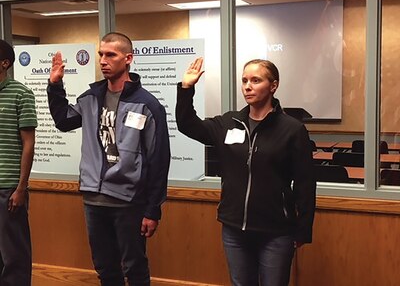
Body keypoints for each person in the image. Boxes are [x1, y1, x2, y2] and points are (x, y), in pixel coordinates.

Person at [175, 57, 316, 286]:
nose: (248, 86)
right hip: (234, 229)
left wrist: (303, 230)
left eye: (256, 80)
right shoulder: (228, 123)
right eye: (244, 80)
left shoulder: (292, 129)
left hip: (276, 231)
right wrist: (186, 88)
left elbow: (305, 183)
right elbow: (187, 124)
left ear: (273, 86)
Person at [47, 32, 170, 286]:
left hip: (128, 201)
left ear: (128, 59)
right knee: (105, 268)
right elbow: (63, 121)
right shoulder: (90, 97)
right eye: (101, 54)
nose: (103, 60)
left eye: (110, 55)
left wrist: (153, 209)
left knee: (134, 267)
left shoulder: (147, 104)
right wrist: (55, 86)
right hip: (94, 199)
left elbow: (159, 160)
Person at [0, 39, 37, 286]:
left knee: (13, 255)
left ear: (5, 63)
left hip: (8, 188)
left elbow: (28, 144)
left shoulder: (21, 93)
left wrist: (21, 188)